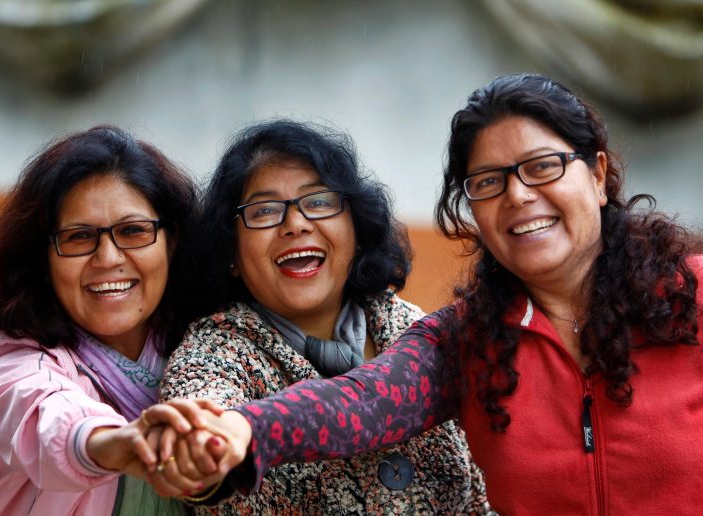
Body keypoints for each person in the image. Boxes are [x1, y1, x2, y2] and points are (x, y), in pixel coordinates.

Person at [173, 75, 703, 514]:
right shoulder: (466, 340)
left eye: (543, 167)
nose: (518, 195)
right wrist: (244, 428)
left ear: (597, 173)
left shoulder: (693, 297)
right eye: (489, 182)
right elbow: (362, 403)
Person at [159, 119, 493, 514]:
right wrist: (205, 448)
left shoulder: (408, 325)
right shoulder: (214, 353)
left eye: (318, 201)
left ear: (355, 227)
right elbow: (202, 424)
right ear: (230, 252)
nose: (296, 224)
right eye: (264, 210)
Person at [0, 125, 210, 515]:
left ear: (172, 241)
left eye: (133, 231)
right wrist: (113, 443)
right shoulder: (8, 355)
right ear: (43, 257)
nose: (108, 258)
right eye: (78, 237)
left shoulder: (209, 348)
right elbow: (39, 414)